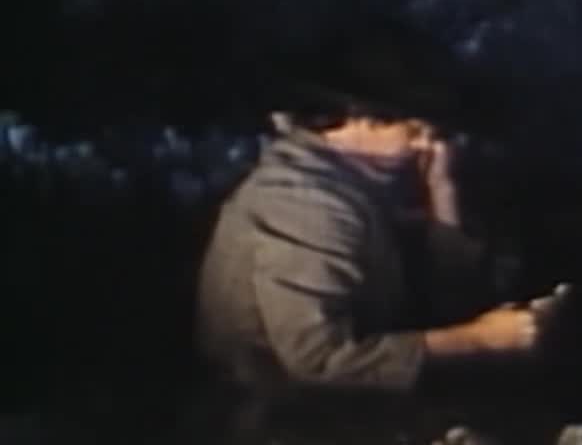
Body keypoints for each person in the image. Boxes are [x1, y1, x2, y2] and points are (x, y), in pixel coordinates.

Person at [195, 24, 544, 412]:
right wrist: (481, 340)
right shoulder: (304, 205)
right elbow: (321, 362)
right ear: (351, 121)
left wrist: (441, 193)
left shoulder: (362, 180)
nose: (428, 144)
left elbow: (448, 300)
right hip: (280, 417)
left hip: (333, 409)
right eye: (412, 130)